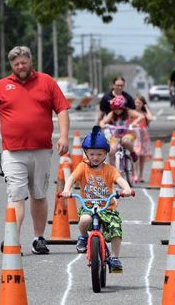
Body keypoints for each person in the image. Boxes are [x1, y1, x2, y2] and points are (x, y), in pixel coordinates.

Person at [0, 45, 70, 255]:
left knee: (39, 195)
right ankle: (12, 240)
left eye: (24, 62)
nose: (20, 66)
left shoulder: (46, 82)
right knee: (16, 196)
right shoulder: (2, 86)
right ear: (11, 65)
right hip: (13, 152)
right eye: (16, 63)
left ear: (30, 61)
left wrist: (64, 136)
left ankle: (38, 238)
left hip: (41, 150)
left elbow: (62, 109)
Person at [61, 126, 133, 272]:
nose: (95, 157)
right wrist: (67, 190)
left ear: (106, 153)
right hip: (88, 206)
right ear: (86, 153)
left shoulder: (110, 170)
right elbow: (71, 178)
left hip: (107, 207)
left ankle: (114, 257)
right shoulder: (82, 167)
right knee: (84, 220)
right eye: (92, 154)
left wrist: (126, 189)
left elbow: (120, 180)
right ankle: (82, 237)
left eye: (99, 154)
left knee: (115, 228)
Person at [99, 95, 145, 166]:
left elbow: (141, 116)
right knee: (111, 151)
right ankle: (112, 169)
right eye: (115, 109)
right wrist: (103, 125)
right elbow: (102, 122)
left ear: (123, 107)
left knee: (126, 141)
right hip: (115, 135)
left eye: (119, 108)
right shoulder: (112, 114)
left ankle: (132, 153)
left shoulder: (128, 112)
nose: (117, 111)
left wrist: (134, 123)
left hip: (128, 133)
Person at [133, 94, 153, 183]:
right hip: (135, 136)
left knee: (142, 158)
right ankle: (135, 174)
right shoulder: (132, 112)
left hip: (143, 137)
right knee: (135, 156)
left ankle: (140, 175)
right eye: (136, 102)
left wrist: (146, 108)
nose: (137, 104)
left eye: (139, 103)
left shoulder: (144, 113)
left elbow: (150, 118)